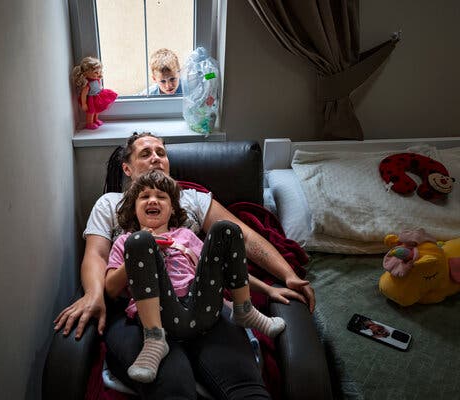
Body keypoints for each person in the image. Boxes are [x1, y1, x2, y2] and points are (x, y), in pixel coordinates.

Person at [54, 132, 315, 398]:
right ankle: (155, 340)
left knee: (245, 388)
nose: (156, 158)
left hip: (198, 301)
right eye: (146, 154)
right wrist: (93, 294)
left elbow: (242, 238)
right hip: (140, 312)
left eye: (161, 153)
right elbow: (96, 255)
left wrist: (284, 277)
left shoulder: (192, 200)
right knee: (171, 384)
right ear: (127, 168)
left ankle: (243, 311)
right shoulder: (110, 203)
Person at [106, 170, 285, 383]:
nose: (153, 200)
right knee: (139, 241)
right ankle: (154, 340)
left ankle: (244, 310)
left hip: (202, 308)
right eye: (144, 196)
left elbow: (222, 271)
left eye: (161, 196)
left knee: (226, 229)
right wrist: (140, 251)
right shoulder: (126, 242)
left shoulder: (186, 236)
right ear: (134, 208)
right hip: (161, 315)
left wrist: (267, 289)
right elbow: (110, 289)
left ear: (172, 208)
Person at [72, 56, 118, 130]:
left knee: (97, 110)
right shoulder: (87, 84)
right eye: (95, 72)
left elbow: (98, 86)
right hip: (91, 99)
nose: (98, 74)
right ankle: (89, 123)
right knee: (91, 112)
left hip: (98, 96)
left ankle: (95, 120)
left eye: (99, 71)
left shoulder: (97, 79)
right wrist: (84, 104)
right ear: (86, 73)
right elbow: (84, 94)